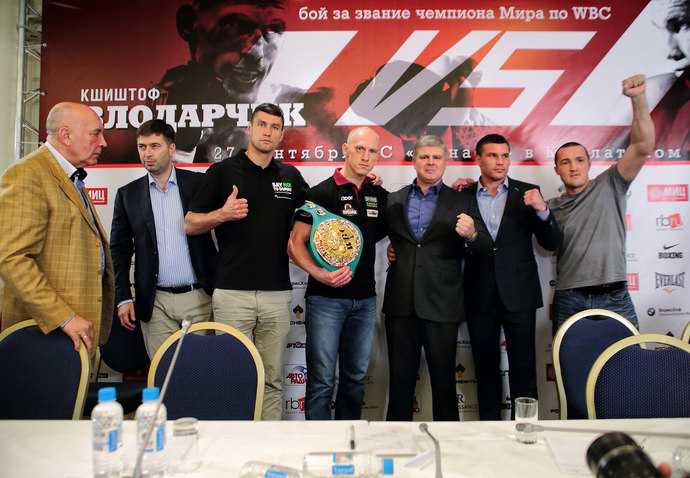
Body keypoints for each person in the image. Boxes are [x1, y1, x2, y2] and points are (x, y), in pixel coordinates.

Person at [184, 103, 309, 420]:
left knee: (272, 380)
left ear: (281, 134)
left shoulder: (291, 176)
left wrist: (365, 179)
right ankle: (231, 446)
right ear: (250, 128)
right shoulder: (223, 172)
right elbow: (190, 223)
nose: (268, 131)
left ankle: (267, 444)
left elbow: (317, 210)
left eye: (275, 127)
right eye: (262, 124)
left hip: (276, 294)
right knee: (229, 377)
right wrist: (222, 214)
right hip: (232, 293)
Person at [383, 135, 490, 421]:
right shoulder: (393, 199)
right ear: (414, 161)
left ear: (445, 162)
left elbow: (484, 247)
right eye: (424, 157)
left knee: (444, 384)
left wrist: (472, 234)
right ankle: (396, 440)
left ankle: (448, 443)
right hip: (401, 305)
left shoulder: (463, 200)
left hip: (442, 305)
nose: (430, 162)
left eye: (436, 157)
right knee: (400, 384)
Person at [287, 126, 388, 420]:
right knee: (321, 382)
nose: (366, 156)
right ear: (345, 150)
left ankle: (348, 439)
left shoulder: (377, 194)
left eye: (372, 151)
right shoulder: (320, 193)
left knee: (355, 380)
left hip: (365, 301)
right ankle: (320, 442)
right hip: (326, 301)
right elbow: (294, 245)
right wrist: (319, 274)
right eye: (360, 149)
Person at [459, 133, 561, 420]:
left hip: (520, 293)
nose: (500, 161)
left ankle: (526, 429)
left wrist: (543, 211)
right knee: (485, 371)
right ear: (478, 159)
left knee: (524, 370)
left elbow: (551, 243)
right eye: (493, 155)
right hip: (479, 294)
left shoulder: (528, 193)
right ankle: (490, 433)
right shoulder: (462, 196)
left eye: (505, 155)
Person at [0, 102, 114, 354]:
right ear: (65, 135)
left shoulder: (69, 177)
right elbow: (12, 259)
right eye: (95, 134)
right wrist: (64, 317)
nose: (103, 142)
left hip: (70, 335)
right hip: (42, 336)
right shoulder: (28, 174)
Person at [549, 74, 655, 336]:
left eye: (579, 160)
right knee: (567, 361)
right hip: (569, 297)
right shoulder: (548, 207)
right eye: (565, 162)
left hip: (614, 295)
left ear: (589, 164)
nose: (573, 167)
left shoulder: (611, 183)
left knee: (629, 359)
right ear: (556, 169)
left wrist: (638, 98)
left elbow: (642, 145)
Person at [110, 120, 217, 359]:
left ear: (171, 149)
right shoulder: (127, 195)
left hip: (200, 298)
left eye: (155, 146)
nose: (147, 153)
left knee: (202, 371)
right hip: (154, 302)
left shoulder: (198, 185)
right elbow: (119, 250)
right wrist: (123, 296)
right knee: (163, 374)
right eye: (142, 146)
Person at [159, 0, 302, 162]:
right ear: (188, 24)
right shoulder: (156, 108)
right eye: (235, 26)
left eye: (273, 29)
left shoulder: (303, 110)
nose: (256, 54)